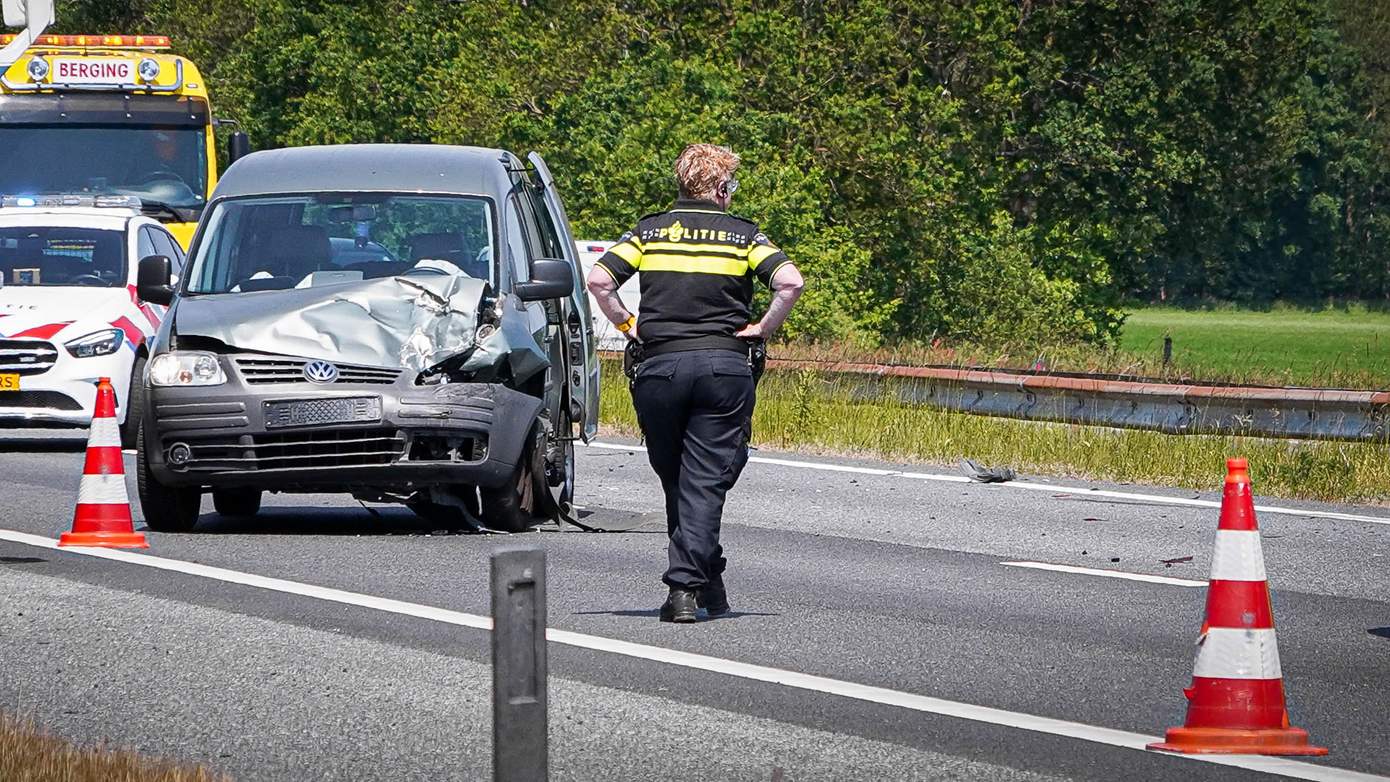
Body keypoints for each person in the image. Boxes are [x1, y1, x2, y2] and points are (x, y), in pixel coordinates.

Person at [586, 143, 805, 623]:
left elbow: (599, 281)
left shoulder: (649, 231)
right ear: (723, 188)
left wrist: (628, 325)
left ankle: (712, 583)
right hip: (723, 371)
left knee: (680, 481)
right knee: (704, 482)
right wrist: (763, 328)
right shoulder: (744, 236)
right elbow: (790, 282)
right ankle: (684, 589)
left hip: (659, 368)